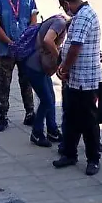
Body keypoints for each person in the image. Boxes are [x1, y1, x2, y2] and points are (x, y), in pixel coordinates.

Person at [51, 0, 102, 176]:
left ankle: (93, 159)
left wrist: (64, 67)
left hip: (86, 79)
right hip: (75, 79)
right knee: (71, 118)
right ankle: (69, 153)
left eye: (63, 6)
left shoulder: (82, 17)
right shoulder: (81, 15)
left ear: (66, 3)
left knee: (88, 120)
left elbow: (75, 48)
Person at [0, 0, 38, 132]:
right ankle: (3, 116)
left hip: (25, 50)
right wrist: (9, 42)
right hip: (6, 50)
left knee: (27, 82)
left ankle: (30, 113)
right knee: (4, 83)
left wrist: (26, 42)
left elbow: (33, 22)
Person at [21, 12, 67, 148]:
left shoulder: (59, 21)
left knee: (51, 97)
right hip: (34, 67)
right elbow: (48, 40)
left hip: (40, 67)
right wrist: (60, 59)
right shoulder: (61, 23)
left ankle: (52, 130)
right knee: (46, 99)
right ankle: (37, 132)